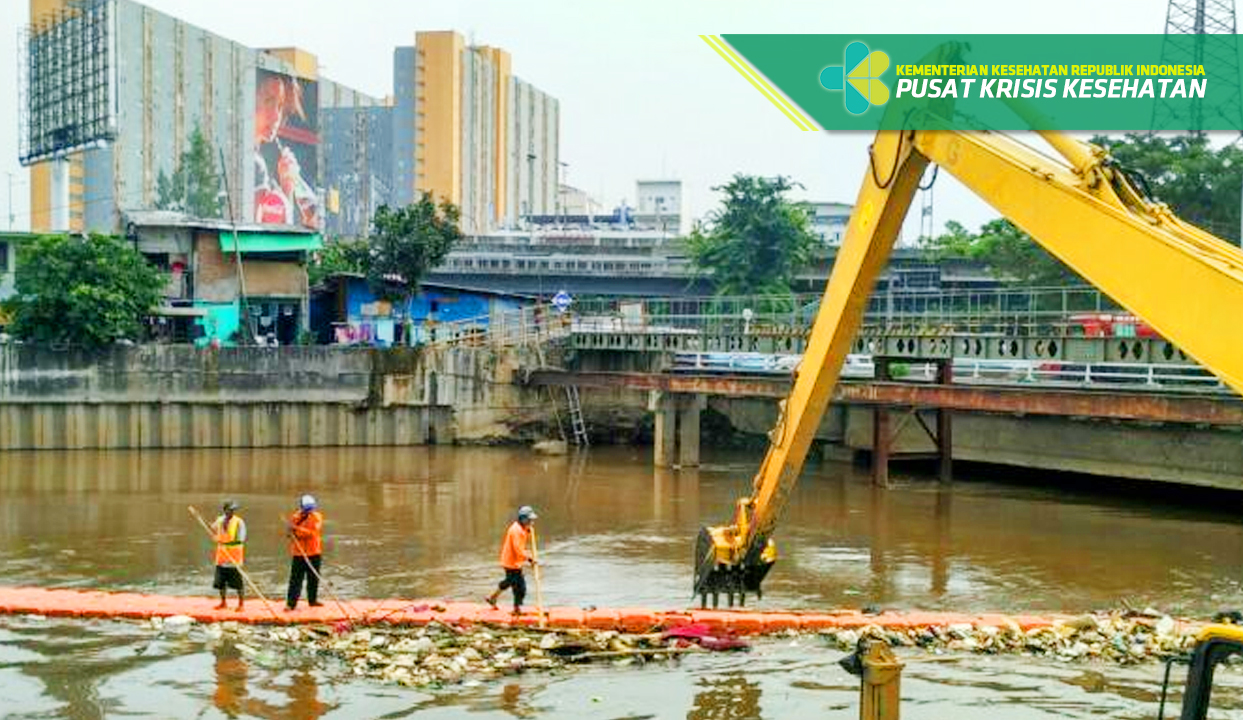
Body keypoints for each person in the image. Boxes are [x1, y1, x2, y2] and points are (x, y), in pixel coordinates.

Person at [485, 505, 538, 615]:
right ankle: (511, 606)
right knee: (518, 586)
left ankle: (497, 599)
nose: (531, 522)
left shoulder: (522, 528)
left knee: (513, 584)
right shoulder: (516, 531)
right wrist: (530, 558)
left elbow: (522, 540)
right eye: (529, 520)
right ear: (523, 519)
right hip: (510, 561)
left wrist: (528, 530)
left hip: (515, 561)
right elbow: (518, 550)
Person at [285, 494, 324, 611]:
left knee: (313, 578)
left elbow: (312, 533)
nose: (309, 511)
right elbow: (289, 534)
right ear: (302, 507)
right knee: (295, 580)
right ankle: (291, 604)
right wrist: (291, 532)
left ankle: (313, 600)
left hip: (314, 553)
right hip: (299, 554)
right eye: (307, 508)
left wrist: (296, 530)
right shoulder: (295, 517)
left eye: (310, 508)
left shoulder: (317, 517)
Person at [211, 500, 247, 610]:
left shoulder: (239, 522)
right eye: (230, 510)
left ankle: (241, 604)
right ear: (225, 510)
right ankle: (223, 602)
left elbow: (240, 540)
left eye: (233, 510)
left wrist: (225, 543)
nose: (232, 512)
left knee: (238, 583)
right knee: (220, 583)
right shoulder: (220, 520)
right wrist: (214, 535)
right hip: (221, 557)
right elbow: (212, 529)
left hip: (234, 558)